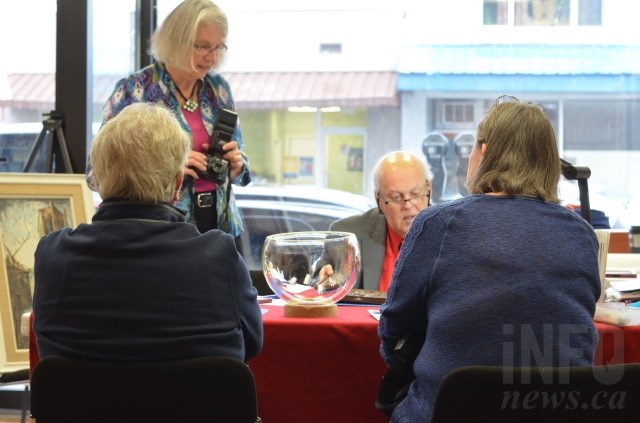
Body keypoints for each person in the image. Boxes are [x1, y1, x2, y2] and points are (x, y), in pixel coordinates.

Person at [378, 96, 601, 422]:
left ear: (482, 152)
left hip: (448, 411)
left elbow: (395, 331)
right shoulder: (582, 235)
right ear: (549, 164)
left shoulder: (438, 223)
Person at [33, 102, 263, 363]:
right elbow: (252, 342)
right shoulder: (217, 255)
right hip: (192, 403)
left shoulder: (53, 255)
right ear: (178, 184)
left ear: (97, 179)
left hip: (84, 404)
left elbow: (47, 346)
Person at [96, 0, 250, 253]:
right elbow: (100, 170)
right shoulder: (135, 89)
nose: (211, 57)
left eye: (218, 47)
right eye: (202, 46)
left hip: (220, 225)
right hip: (161, 230)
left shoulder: (218, 88)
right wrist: (171, 163)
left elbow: (241, 157)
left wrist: (236, 166)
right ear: (177, 40)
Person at [330, 151, 433, 291]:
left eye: (415, 194)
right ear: (379, 200)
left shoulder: (452, 233)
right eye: (396, 197)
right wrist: (325, 281)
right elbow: (326, 284)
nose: (408, 205)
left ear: (429, 188)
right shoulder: (348, 235)